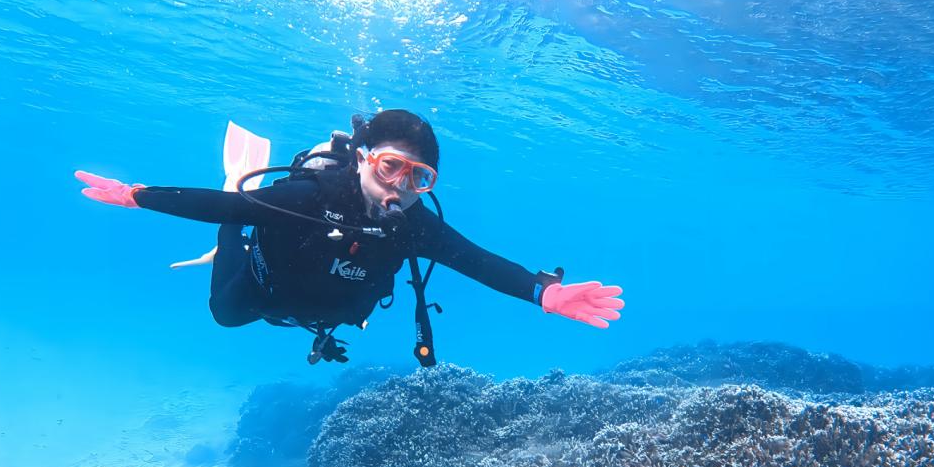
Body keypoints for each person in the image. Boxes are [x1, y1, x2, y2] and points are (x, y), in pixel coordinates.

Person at [74, 110, 624, 365]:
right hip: (265, 286)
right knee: (225, 313)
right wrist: (139, 195)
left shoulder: (415, 224)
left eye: (419, 178)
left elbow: (475, 261)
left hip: (325, 309)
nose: (400, 186)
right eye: (390, 166)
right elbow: (225, 204)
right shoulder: (310, 197)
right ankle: (233, 233)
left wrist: (543, 293)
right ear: (362, 159)